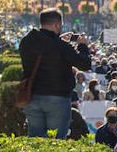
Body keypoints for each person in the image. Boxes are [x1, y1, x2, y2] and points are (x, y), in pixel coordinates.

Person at [18, 10, 93, 139]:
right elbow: (85, 64)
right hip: (57, 98)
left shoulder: (26, 42)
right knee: (56, 141)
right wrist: (82, 47)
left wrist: (58, 40)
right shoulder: (61, 46)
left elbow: (45, 47)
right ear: (57, 25)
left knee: (36, 139)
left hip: (32, 96)